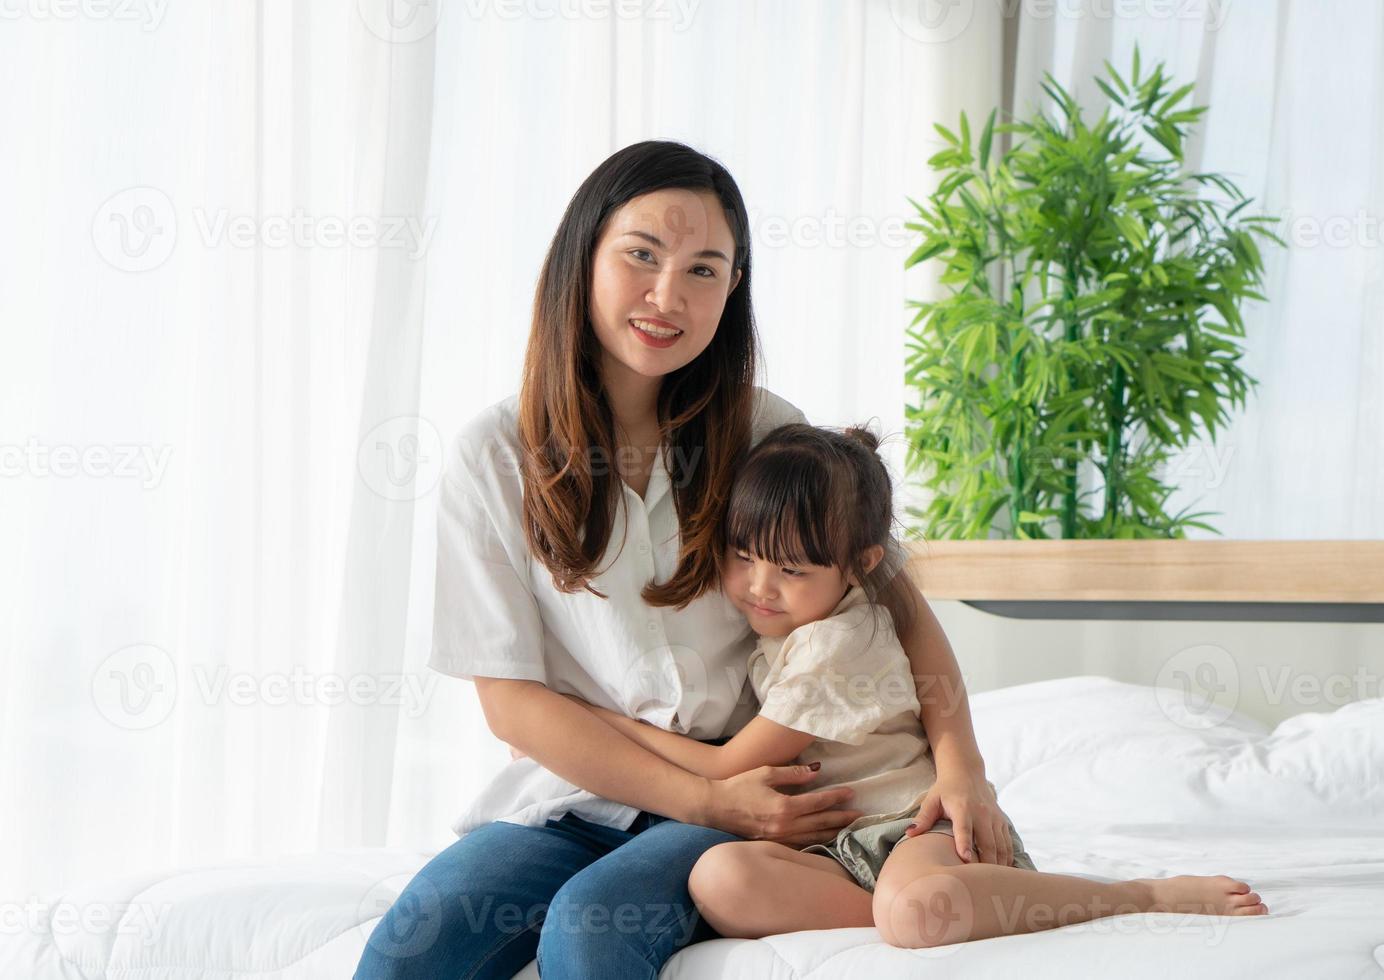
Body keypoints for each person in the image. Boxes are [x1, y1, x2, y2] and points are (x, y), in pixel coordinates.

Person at [355, 139, 1036, 980]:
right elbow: (511, 703)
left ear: (733, 287)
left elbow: (890, 600)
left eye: (704, 269)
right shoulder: (493, 456)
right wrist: (708, 796)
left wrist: (963, 764)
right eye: (641, 255)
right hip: (581, 797)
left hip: (755, 786)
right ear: (583, 257)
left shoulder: (768, 431)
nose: (667, 295)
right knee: (404, 952)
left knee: (592, 930)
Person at [569, 422, 1271, 947]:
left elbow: (729, 766)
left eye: (792, 570)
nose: (759, 587)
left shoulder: (837, 642)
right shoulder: (792, 623)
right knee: (718, 879)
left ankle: (1137, 894)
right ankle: (907, 907)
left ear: (861, 564)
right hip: (836, 853)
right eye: (744, 556)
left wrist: (611, 725)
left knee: (913, 913)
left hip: (911, 827)